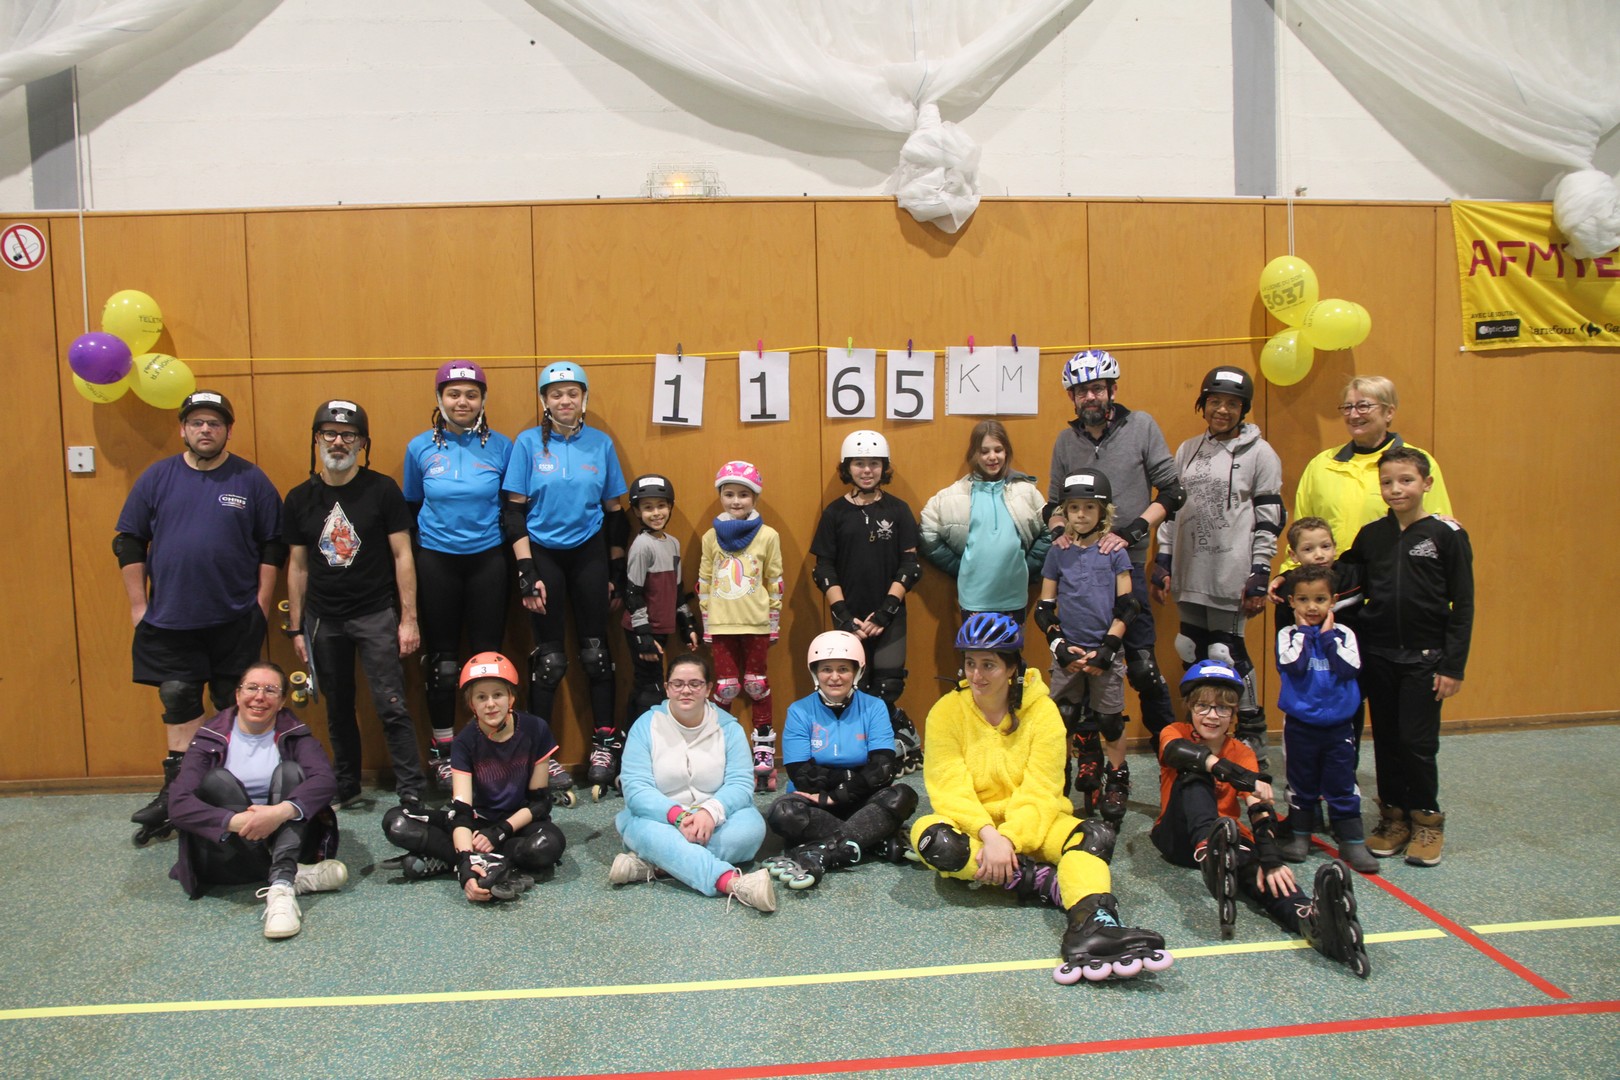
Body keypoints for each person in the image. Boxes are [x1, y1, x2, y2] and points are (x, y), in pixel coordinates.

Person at [909, 613, 1171, 984]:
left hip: (1032, 821)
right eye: (970, 663)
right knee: (933, 839)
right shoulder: (945, 712)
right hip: (974, 829)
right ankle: (1046, 883)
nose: (976, 675)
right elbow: (948, 787)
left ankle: (1094, 922)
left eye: (988, 665)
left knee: (1094, 836)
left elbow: (1042, 789)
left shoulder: (1043, 712)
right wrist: (989, 835)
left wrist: (1009, 839)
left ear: (1012, 668)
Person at [115, 390, 285, 845]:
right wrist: (138, 605)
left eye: (214, 423)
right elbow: (129, 540)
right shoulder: (158, 477)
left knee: (233, 704)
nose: (205, 430)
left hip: (234, 617)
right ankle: (176, 795)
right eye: (197, 423)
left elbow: (273, 545)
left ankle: (230, 792)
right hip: (170, 618)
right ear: (183, 429)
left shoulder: (250, 479)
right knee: (178, 696)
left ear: (228, 430)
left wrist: (262, 603)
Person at [1151, 661, 1369, 977]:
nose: (1212, 716)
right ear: (1189, 707)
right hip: (1179, 836)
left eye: (1222, 709)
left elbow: (1258, 808)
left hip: (1228, 841)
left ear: (1233, 714)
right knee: (1194, 773)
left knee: (1265, 875)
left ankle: (1311, 920)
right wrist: (1233, 773)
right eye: (1203, 706)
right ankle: (1208, 848)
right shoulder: (1176, 732)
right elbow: (1177, 752)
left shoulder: (1242, 752)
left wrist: (1270, 858)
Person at [284, 399, 426, 809]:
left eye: (349, 435)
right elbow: (297, 567)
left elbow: (403, 555)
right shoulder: (299, 498)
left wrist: (409, 620)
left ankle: (411, 788)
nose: (338, 442)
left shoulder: (382, 490)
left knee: (391, 705)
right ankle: (346, 784)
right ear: (316, 439)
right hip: (322, 620)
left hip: (375, 613)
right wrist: (296, 628)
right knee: (338, 708)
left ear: (363, 443)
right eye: (329, 433)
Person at [502, 361, 630, 806]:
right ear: (544, 400)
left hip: (589, 552)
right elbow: (513, 511)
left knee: (597, 655)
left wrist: (616, 572)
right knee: (550, 659)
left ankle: (604, 743)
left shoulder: (601, 444)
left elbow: (615, 514)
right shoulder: (527, 444)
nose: (564, 400)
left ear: (584, 398)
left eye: (572, 393)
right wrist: (526, 572)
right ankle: (543, 753)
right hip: (542, 553)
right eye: (556, 394)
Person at [1339, 447, 1473, 867]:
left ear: (1427, 484)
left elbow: (1464, 605)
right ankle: (1394, 818)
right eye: (1387, 482)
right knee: (1387, 740)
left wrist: (1452, 666)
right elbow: (1341, 577)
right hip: (1378, 656)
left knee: (1417, 743)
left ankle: (1427, 819)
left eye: (1406, 480)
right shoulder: (1371, 536)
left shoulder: (1447, 535)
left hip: (1425, 660)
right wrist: (1289, 579)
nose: (1395, 489)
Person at [1046, 351, 1184, 740]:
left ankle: (1169, 751)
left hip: (1125, 565)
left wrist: (1133, 531)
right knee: (1081, 667)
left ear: (1112, 390)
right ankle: (1090, 756)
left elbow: (1173, 492)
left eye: (1097, 388)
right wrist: (1061, 533)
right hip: (1078, 573)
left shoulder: (1141, 426)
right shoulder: (1065, 441)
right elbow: (1052, 505)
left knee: (1142, 667)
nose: (1090, 397)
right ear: (1072, 397)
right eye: (1081, 391)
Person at [1151, 365, 1285, 766]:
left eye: (1231, 403)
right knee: (1189, 647)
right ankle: (1203, 729)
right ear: (1203, 404)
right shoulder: (1188, 449)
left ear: (1244, 409)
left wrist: (1261, 570)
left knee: (1227, 652)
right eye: (1214, 401)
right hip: (1191, 569)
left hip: (1231, 573)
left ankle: (1251, 729)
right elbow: (1172, 509)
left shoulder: (1261, 453)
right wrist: (1163, 557)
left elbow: (1269, 516)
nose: (1222, 410)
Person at [166, 662, 347, 940]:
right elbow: (178, 804)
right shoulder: (208, 737)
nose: (259, 697)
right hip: (230, 853)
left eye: (270, 690)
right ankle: (292, 876)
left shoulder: (295, 733)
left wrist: (279, 813)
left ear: (282, 701)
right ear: (238, 694)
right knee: (216, 781)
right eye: (252, 688)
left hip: (285, 839)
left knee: (291, 772)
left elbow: (324, 781)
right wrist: (235, 821)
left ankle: (281, 887)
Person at [403, 361, 514, 791]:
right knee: (443, 665)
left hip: (488, 560)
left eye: (471, 394)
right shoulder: (419, 448)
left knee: (488, 663)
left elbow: (512, 507)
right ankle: (443, 751)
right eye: (453, 394)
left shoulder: (502, 447)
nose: (462, 401)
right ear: (439, 399)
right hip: (437, 561)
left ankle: (490, 746)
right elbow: (412, 506)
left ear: (483, 400)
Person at [381, 652, 566, 902]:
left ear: (511, 697)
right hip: (477, 824)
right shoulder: (464, 742)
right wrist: (466, 866)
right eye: (481, 697)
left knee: (546, 845)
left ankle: (455, 860)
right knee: (397, 822)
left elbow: (540, 803)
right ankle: (491, 863)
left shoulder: (536, 729)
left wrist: (500, 832)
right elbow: (462, 812)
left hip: (517, 824)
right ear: (471, 703)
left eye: (497, 695)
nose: (490, 704)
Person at [607, 651, 776, 913]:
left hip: (715, 819)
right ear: (667, 688)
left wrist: (709, 812)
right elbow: (636, 789)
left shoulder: (729, 728)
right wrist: (678, 817)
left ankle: (658, 864)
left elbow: (740, 784)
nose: (686, 690)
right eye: (677, 684)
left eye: (695, 684)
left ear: (708, 688)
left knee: (750, 831)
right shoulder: (644, 726)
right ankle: (733, 883)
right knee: (643, 828)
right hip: (660, 820)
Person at [761, 631, 919, 890]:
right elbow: (802, 775)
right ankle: (871, 839)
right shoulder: (799, 711)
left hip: (859, 799)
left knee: (902, 796)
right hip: (818, 802)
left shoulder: (875, 707)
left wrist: (836, 795)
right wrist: (850, 781)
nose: (834, 677)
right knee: (784, 814)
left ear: (856, 672)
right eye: (827, 669)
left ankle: (824, 851)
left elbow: (882, 770)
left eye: (843, 669)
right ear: (815, 673)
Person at [810, 430, 924, 772]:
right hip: (849, 616)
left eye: (874, 463)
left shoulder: (898, 510)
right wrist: (843, 615)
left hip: (889, 614)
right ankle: (859, 747)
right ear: (848, 468)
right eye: (859, 463)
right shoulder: (835, 513)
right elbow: (823, 569)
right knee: (847, 686)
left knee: (887, 685)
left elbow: (911, 565)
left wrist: (887, 610)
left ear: (883, 467)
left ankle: (887, 745)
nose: (867, 470)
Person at [1034, 469, 1137, 825]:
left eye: (1089, 507)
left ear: (1103, 511)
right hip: (1070, 653)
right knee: (1062, 717)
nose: (1081, 514)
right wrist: (1058, 645)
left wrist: (1108, 649)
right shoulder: (1058, 552)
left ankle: (1117, 778)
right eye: (1074, 507)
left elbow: (1128, 607)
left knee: (1109, 720)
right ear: (1064, 511)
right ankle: (1059, 776)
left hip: (1105, 650)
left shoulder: (1114, 552)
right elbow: (1044, 608)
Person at [1283, 376, 1452, 565]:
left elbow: (1437, 533)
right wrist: (1290, 574)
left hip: (1393, 576)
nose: (1354, 415)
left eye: (1363, 406)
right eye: (1347, 407)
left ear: (1389, 412)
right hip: (1332, 579)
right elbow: (1301, 534)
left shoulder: (1417, 463)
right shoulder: (1320, 465)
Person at [1272, 565, 1375, 873]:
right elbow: (1293, 665)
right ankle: (1300, 835)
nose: (1312, 607)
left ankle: (1352, 840)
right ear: (1292, 601)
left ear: (1333, 601)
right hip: (1300, 725)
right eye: (1303, 600)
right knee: (1301, 781)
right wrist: (1305, 633)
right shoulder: (1287, 635)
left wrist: (1328, 638)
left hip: (1339, 726)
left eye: (1320, 599)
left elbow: (1349, 669)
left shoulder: (1345, 634)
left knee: (1342, 782)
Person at [697, 461, 784, 791]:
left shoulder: (768, 536)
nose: (736, 501)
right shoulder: (710, 537)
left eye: (744, 495)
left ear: (755, 498)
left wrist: (773, 621)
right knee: (726, 688)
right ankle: (719, 745)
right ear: (720, 496)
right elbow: (704, 581)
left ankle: (763, 745)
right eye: (729, 494)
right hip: (722, 624)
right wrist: (706, 622)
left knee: (756, 684)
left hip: (756, 623)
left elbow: (775, 580)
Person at [617, 473, 699, 797]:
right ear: (637, 512)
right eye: (648, 507)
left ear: (670, 507)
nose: (655, 513)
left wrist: (687, 624)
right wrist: (643, 635)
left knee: (649, 687)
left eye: (661, 506)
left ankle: (639, 755)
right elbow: (632, 592)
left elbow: (677, 590)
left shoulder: (673, 543)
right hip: (643, 629)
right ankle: (634, 760)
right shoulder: (642, 546)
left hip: (662, 628)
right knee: (649, 690)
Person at [919, 420, 1050, 620]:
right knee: (976, 643)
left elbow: (1050, 531)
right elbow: (927, 533)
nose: (992, 457)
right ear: (974, 454)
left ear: (1006, 451)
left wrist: (1026, 565)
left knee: (1010, 643)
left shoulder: (1026, 492)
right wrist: (960, 566)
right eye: (984, 451)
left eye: (998, 450)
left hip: (1014, 598)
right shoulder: (954, 495)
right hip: (973, 600)